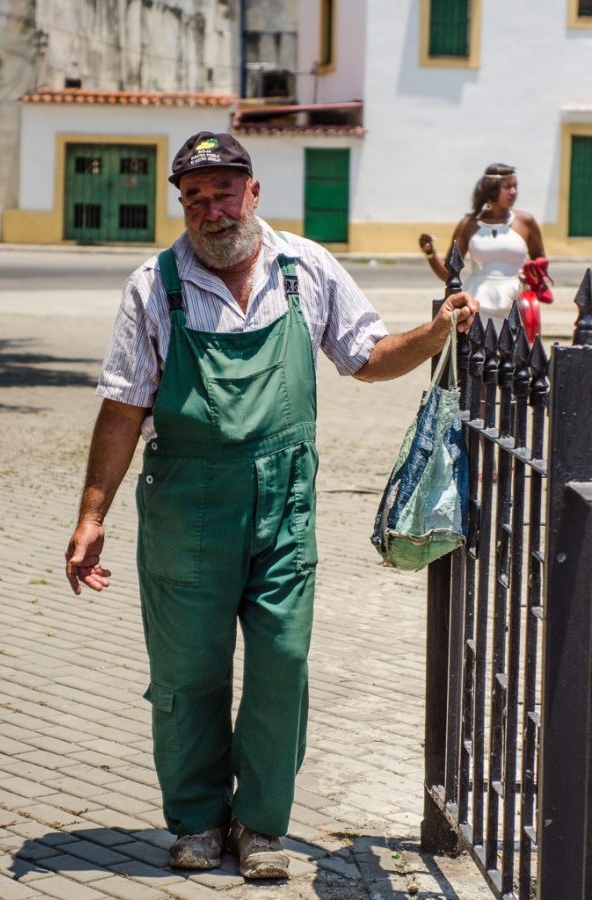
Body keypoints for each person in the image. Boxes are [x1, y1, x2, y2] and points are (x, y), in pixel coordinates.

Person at [65, 131, 477, 880]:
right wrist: (92, 515)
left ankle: (259, 824)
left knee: (282, 662)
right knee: (189, 672)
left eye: (224, 193)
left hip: (283, 502)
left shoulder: (305, 267)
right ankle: (195, 820)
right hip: (186, 506)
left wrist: (435, 332)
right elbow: (124, 407)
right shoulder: (154, 284)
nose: (211, 211)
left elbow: (366, 357)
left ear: (253, 193)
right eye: (194, 199)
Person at [418, 163, 547, 334]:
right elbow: (448, 273)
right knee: (477, 357)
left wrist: (531, 277)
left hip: (516, 303)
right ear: (491, 190)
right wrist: (430, 253)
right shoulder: (469, 224)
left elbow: (540, 262)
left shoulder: (525, 221)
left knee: (515, 357)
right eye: (507, 187)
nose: (514, 191)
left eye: (515, 186)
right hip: (477, 304)